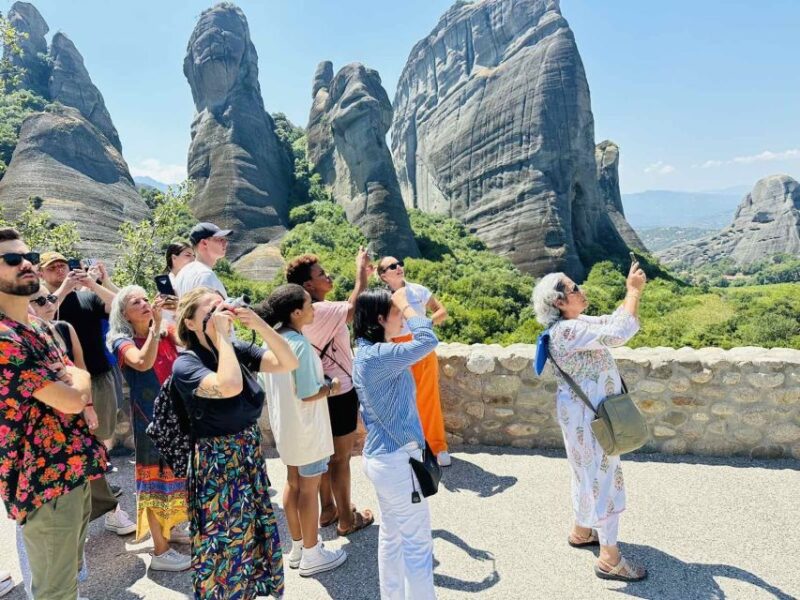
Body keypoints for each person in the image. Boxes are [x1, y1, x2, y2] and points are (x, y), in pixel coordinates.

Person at [0, 228, 107, 600]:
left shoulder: (41, 328)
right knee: (54, 593)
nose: (26, 263)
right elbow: (72, 397)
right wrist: (75, 379)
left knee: (70, 582)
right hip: (43, 483)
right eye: (12, 260)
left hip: (73, 472)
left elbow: (74, 379)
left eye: (28, 255)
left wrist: (74, 380)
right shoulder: (3, 339)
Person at [172, 287, 298, 598]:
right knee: (225, 545)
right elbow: (227, 386)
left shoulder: (235, 349)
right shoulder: (186, 365)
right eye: (210, 312)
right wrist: (224, 338)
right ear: (190, 323)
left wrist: (259, 324)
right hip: (217, 466)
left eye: (222, 307)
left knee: (250, 540)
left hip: (247, 457)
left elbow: (288, 361)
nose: (221, 315)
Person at [531, 262, 648, 582]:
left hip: (583, 416)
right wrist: (634, 291)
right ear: (558, 302)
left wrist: (630, 295)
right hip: (590, 419)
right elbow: (620, 333)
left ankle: (582, 530)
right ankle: (610, 558)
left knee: (585, 473)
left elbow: (614, 321)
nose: (581, 290)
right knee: (605, 476)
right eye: (574, 288)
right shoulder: (568, 330)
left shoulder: (576, 322)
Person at [37, 251, 136, 536]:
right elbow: (43, 319)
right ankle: (102, 503)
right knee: (79, 446)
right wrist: (64, 288)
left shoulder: (86, 297)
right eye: (52, 268)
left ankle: (98, 487)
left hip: (99, 377)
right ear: (42, 274)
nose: (60, 270)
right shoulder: (41, 301)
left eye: (64, 266)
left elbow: (116, 308)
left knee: (102, 437)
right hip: (62, 386)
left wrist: (96, 283)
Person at [255, 285, 348, 577]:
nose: (314, 309)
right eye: (310, 305)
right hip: (307, 429)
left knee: (292, 484)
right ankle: (311, 554)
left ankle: (297, 548)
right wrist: (330, 387)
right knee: (309, 491)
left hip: (287, 428)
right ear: (296, 312)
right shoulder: (300, 346)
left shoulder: (275, 340)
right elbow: (308, 393)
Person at [352, 286, 439, 600]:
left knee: (392, 536)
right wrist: (410, 305)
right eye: (395, 311)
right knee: (417, 544)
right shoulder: (377, 357)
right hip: (397, 459)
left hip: (381, 457)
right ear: (379, 318)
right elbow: (428, 340)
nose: (401, 315)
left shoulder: (365, 352)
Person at [285, 249, 375, 535]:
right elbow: (355, 307)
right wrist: (360, 271)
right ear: (308, 286)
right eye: (321, 274)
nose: (328, 276)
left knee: (323, 455)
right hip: (339, 391)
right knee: (341, 459)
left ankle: (328, 509)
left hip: (318, 390)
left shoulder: (301, 314)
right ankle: (348, 519)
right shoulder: (320, 310)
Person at [107, 286, 192, 572]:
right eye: (136, 302)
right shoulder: (121, 340)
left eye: (146, 299)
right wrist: (156, 329)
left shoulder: (165, 328)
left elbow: (190, 338)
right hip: (151, 421)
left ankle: (174, 527)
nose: (144, 303)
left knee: (177, 476)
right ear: (124, 314)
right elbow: (142, 363)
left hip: (176, 415)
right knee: (154, 483)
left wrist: (179, 308)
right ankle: (160, 551)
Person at [377, 256, 451, 466]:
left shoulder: (418, 290)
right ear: (383, 275)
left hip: (421, 345)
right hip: (395, 348)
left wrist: (424, 324)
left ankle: (437, 447)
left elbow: (442, 311)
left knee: (429, 398)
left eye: (399, 263)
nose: (398, 267)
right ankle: (409, 448)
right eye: (392, 266)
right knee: (400, 399)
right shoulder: (381, 297)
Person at [173, 223, 231, 299]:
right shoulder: (205, 276)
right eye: (220, 239)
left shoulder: (183, 272)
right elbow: (209, 310)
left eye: (225, 239)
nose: (225, 243)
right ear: (204, 243)